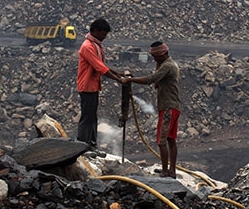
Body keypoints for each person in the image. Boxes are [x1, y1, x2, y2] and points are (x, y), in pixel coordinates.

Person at [123, 41, 181, 178]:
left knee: (162, 141)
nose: (154, 59)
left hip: (168, 107)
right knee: (171, 140)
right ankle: (171, 170)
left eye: (156, 56)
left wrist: (130, 80)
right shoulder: (167, 64)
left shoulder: (167, 66)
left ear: (163, 54)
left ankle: (166, 171)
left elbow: (150, 79)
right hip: (173, 106)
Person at [76, 17, 124, 148]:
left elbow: (101, 64)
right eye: (103, 34)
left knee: (92, 116)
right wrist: (118, 79)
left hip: (92, 86)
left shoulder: (95, 45)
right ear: (96, 31)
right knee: (87, 117)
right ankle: (82, 144)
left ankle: (91, 143)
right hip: (87, 86)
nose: (104, 37)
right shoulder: (88, 47)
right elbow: (100, 67)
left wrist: (116, 73)